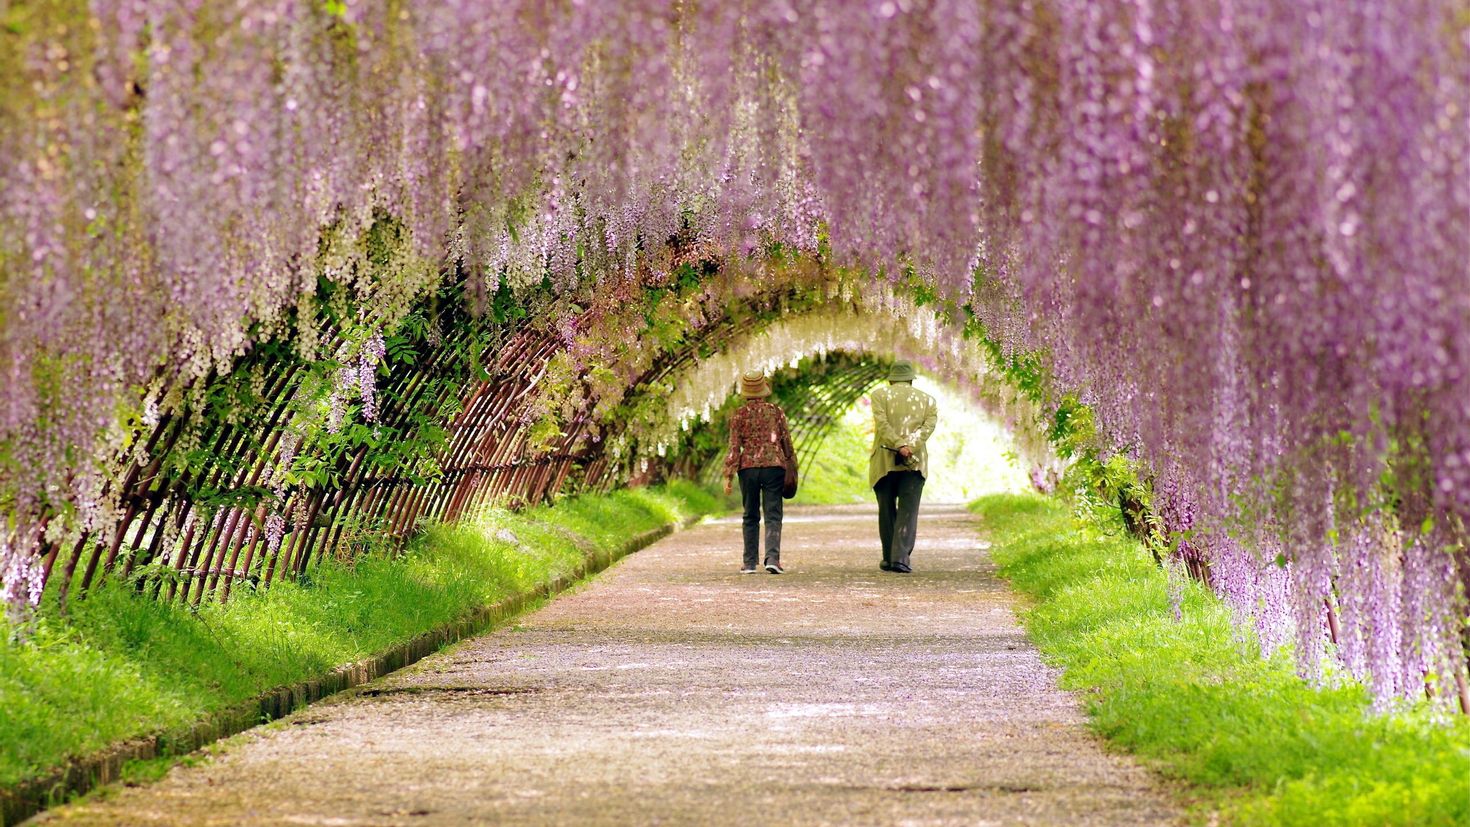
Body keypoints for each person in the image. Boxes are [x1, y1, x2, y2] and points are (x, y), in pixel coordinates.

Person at [723, 371, 795, 574]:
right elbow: (786, 442)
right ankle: (772, 558)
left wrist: (728, 474)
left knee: (750, 515)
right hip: (774, 467)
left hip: (748, 468)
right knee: (773, 514)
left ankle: (749, 563)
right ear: (764, 390)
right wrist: (792, 464)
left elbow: (734, 447)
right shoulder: (775, 411)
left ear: (745, 392)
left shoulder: (739, 414)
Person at [868, 360, 937, 573]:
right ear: (911, 379)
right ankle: (900, 559)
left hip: (884, 460)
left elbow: (882, 424)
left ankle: (889, 558)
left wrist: (898, 445)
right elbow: (928, 427)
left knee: (886, 509)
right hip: (914, 463)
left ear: (891, 379)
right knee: (908, 510)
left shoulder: (879, 395)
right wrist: (909, 446)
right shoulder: (928, 400)